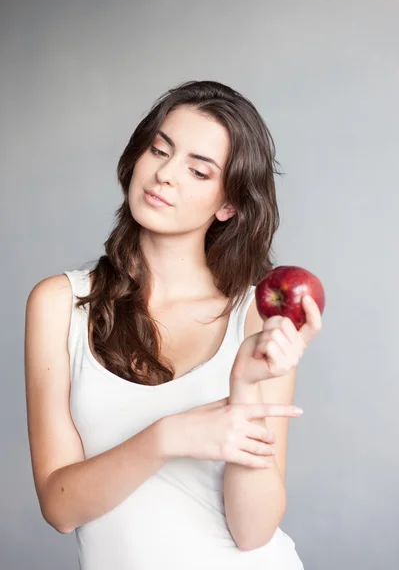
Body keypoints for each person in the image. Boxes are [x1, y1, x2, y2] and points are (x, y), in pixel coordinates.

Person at [24, 80, 322, 570]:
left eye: (198, 171)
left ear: (228, 205)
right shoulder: (60, 303)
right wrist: (165, 438)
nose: (164, 174)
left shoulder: (255, 316)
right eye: (159, 149)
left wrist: (245, 388)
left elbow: (253, 532)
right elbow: (59, 507)